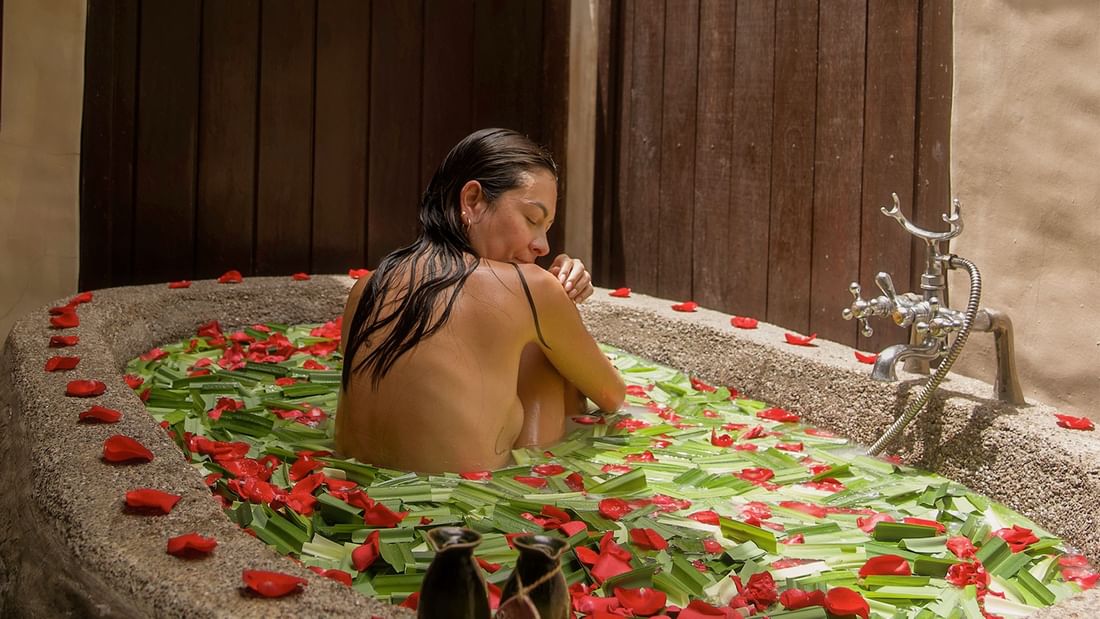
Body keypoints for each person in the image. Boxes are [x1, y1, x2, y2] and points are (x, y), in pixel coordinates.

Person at [335, 128, 625, 474]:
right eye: (532, 219)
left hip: (354, 498)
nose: (543, 246)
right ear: (472, 200)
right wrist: (556, 298)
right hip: (472, 507)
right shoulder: (530, 289)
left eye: (546, 227)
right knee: (543, 358)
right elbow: (612, 397)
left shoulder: (366, 287)